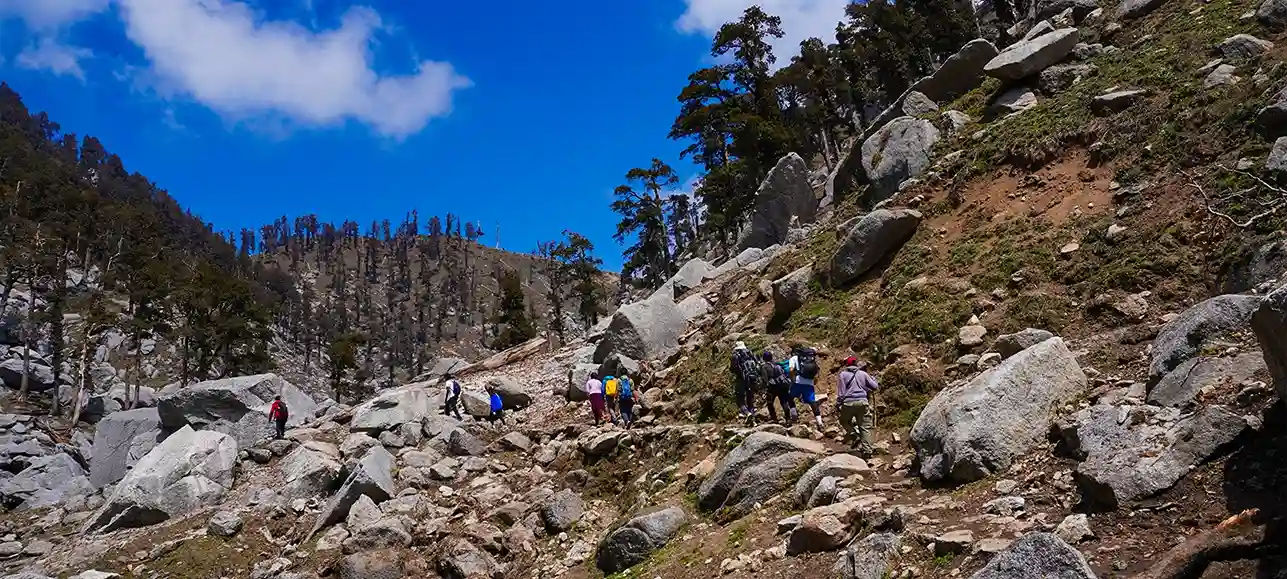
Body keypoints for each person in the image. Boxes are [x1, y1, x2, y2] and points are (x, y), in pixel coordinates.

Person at [837, 357, 880, 457]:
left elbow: (841, 392)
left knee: (844, 421)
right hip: (862, 402)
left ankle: (854, 434)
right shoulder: (863, 374)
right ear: (856, 364)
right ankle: (867, 451)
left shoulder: (843, 375)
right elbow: (875, 387)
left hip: (848, 403)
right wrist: (873, 379)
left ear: (847, 365)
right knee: (864, 427)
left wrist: (838, 403)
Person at [788, 345, 824, 429]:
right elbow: (816, 372)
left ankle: (794, 415)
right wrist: (814, 381)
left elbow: (791, 370)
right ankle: (820, 422)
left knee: (790, 397)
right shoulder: (812, 359)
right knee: (812, 402)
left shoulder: (794, 358)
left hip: (798, 381)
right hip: (809, 383)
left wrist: (793, 379)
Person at [759, 351, 794, 424]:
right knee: (784, 402)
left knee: (770, 403)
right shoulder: (777, 364)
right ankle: (788, 418)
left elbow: (765, 379)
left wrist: (763, 389)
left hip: (772, 388)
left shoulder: (764, 367)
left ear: (764, 358)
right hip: (782, 385)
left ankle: (774, 418)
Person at [730, 342, 759, 419]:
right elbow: (757, 363)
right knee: (750, 397)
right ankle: (752, 415)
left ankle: (747, 413)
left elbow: (733, 368)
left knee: (740, 399)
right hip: (753, 377)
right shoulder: (750, 353)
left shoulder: (735, 356)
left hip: (742, 379)